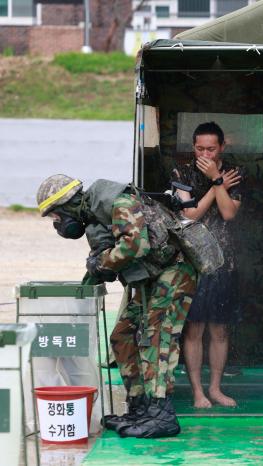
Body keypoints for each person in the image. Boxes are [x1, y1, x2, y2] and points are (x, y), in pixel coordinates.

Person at [36, 174, 197, 437]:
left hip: (175, 270)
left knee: (156, 337)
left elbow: (135, 245)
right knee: (122, 335)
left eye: (56, 216)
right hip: (153, 276)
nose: (58, 224)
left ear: (67, 205)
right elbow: (110, 259)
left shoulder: (116, 200)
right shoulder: (94, 215)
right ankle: (140, 407)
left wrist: (102, 263)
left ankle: (161, 415)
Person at [174, 121, 242, 408]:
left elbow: (228, 213)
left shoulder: (233, 173)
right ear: (193, 148)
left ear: (222, 147)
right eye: (200, 148)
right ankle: (197, 392)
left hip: (224, 263)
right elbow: (190, 215)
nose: (206, 154)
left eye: (211, 149)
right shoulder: (181, 173)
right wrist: (217, 186)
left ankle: (215, 388)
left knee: (220, 330)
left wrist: (217, 179)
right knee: (194, 330)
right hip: (192, 262)